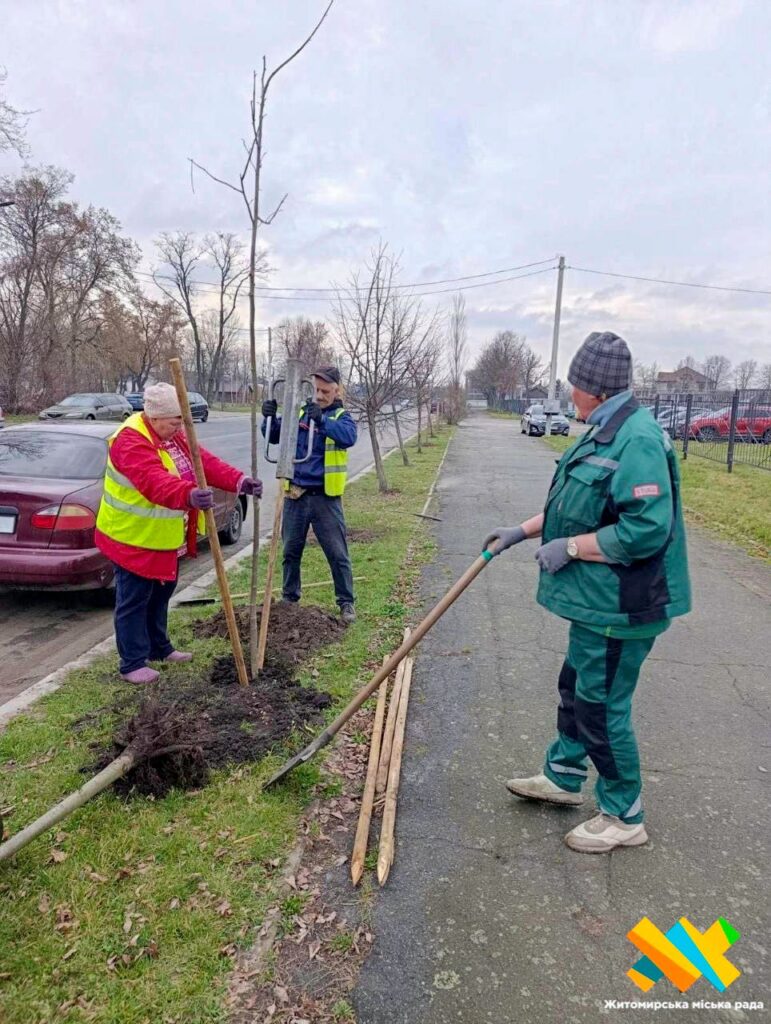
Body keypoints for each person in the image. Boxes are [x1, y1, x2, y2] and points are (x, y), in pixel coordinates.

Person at [484, 332, 691, 853]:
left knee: (600, 706)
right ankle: (563, 774)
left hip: (624, 606)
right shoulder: (601, 430)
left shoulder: (638, 439)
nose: (569, 392)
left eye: (575, 384)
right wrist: (521, 532)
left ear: (596, 389)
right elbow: (573, 508)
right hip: (596, 603)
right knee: (574, 686)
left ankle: (625, 814)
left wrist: (571, 549)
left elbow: (645, 529)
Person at [95, 383, 262, 684]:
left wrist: (239, 481)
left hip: (160, 537)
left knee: (160, 594)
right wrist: (188, 494)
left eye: (182, 421)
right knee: (134, 599)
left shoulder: (171, 435)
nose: (180, 427)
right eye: (176, 422)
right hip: (131, 538)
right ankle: (132, 662)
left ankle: (159, 648)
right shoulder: (130, 440)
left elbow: (202, 461)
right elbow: (153, 480)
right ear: (156, 417)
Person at [261, 366, 358, 624]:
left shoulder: (341, 417)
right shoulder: (300, 413)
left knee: (337, 553)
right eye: (316, 390)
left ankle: (346, 602)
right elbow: (273, 435)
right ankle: (289, 598)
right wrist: (268, 418)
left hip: (325, 498)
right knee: (291, 551)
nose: (319, 395)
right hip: (296, 494)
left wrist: (322, 421)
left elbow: (348, 437)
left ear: (337, 390)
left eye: (325, 391)